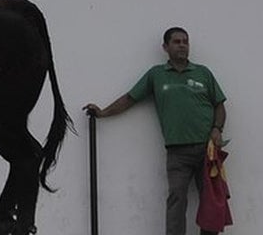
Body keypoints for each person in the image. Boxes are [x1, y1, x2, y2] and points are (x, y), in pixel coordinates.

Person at [83, 27, 227, 235]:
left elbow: (220, 105)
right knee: (177, 198)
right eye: (176, 42)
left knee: (211, 200)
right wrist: (103, 112)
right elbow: (130, 98)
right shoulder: (156, 75)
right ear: (165, 47)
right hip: (177, 153)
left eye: (185, 41)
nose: (182, 45)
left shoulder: (203, 73)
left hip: (207, 151)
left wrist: (217, 129)